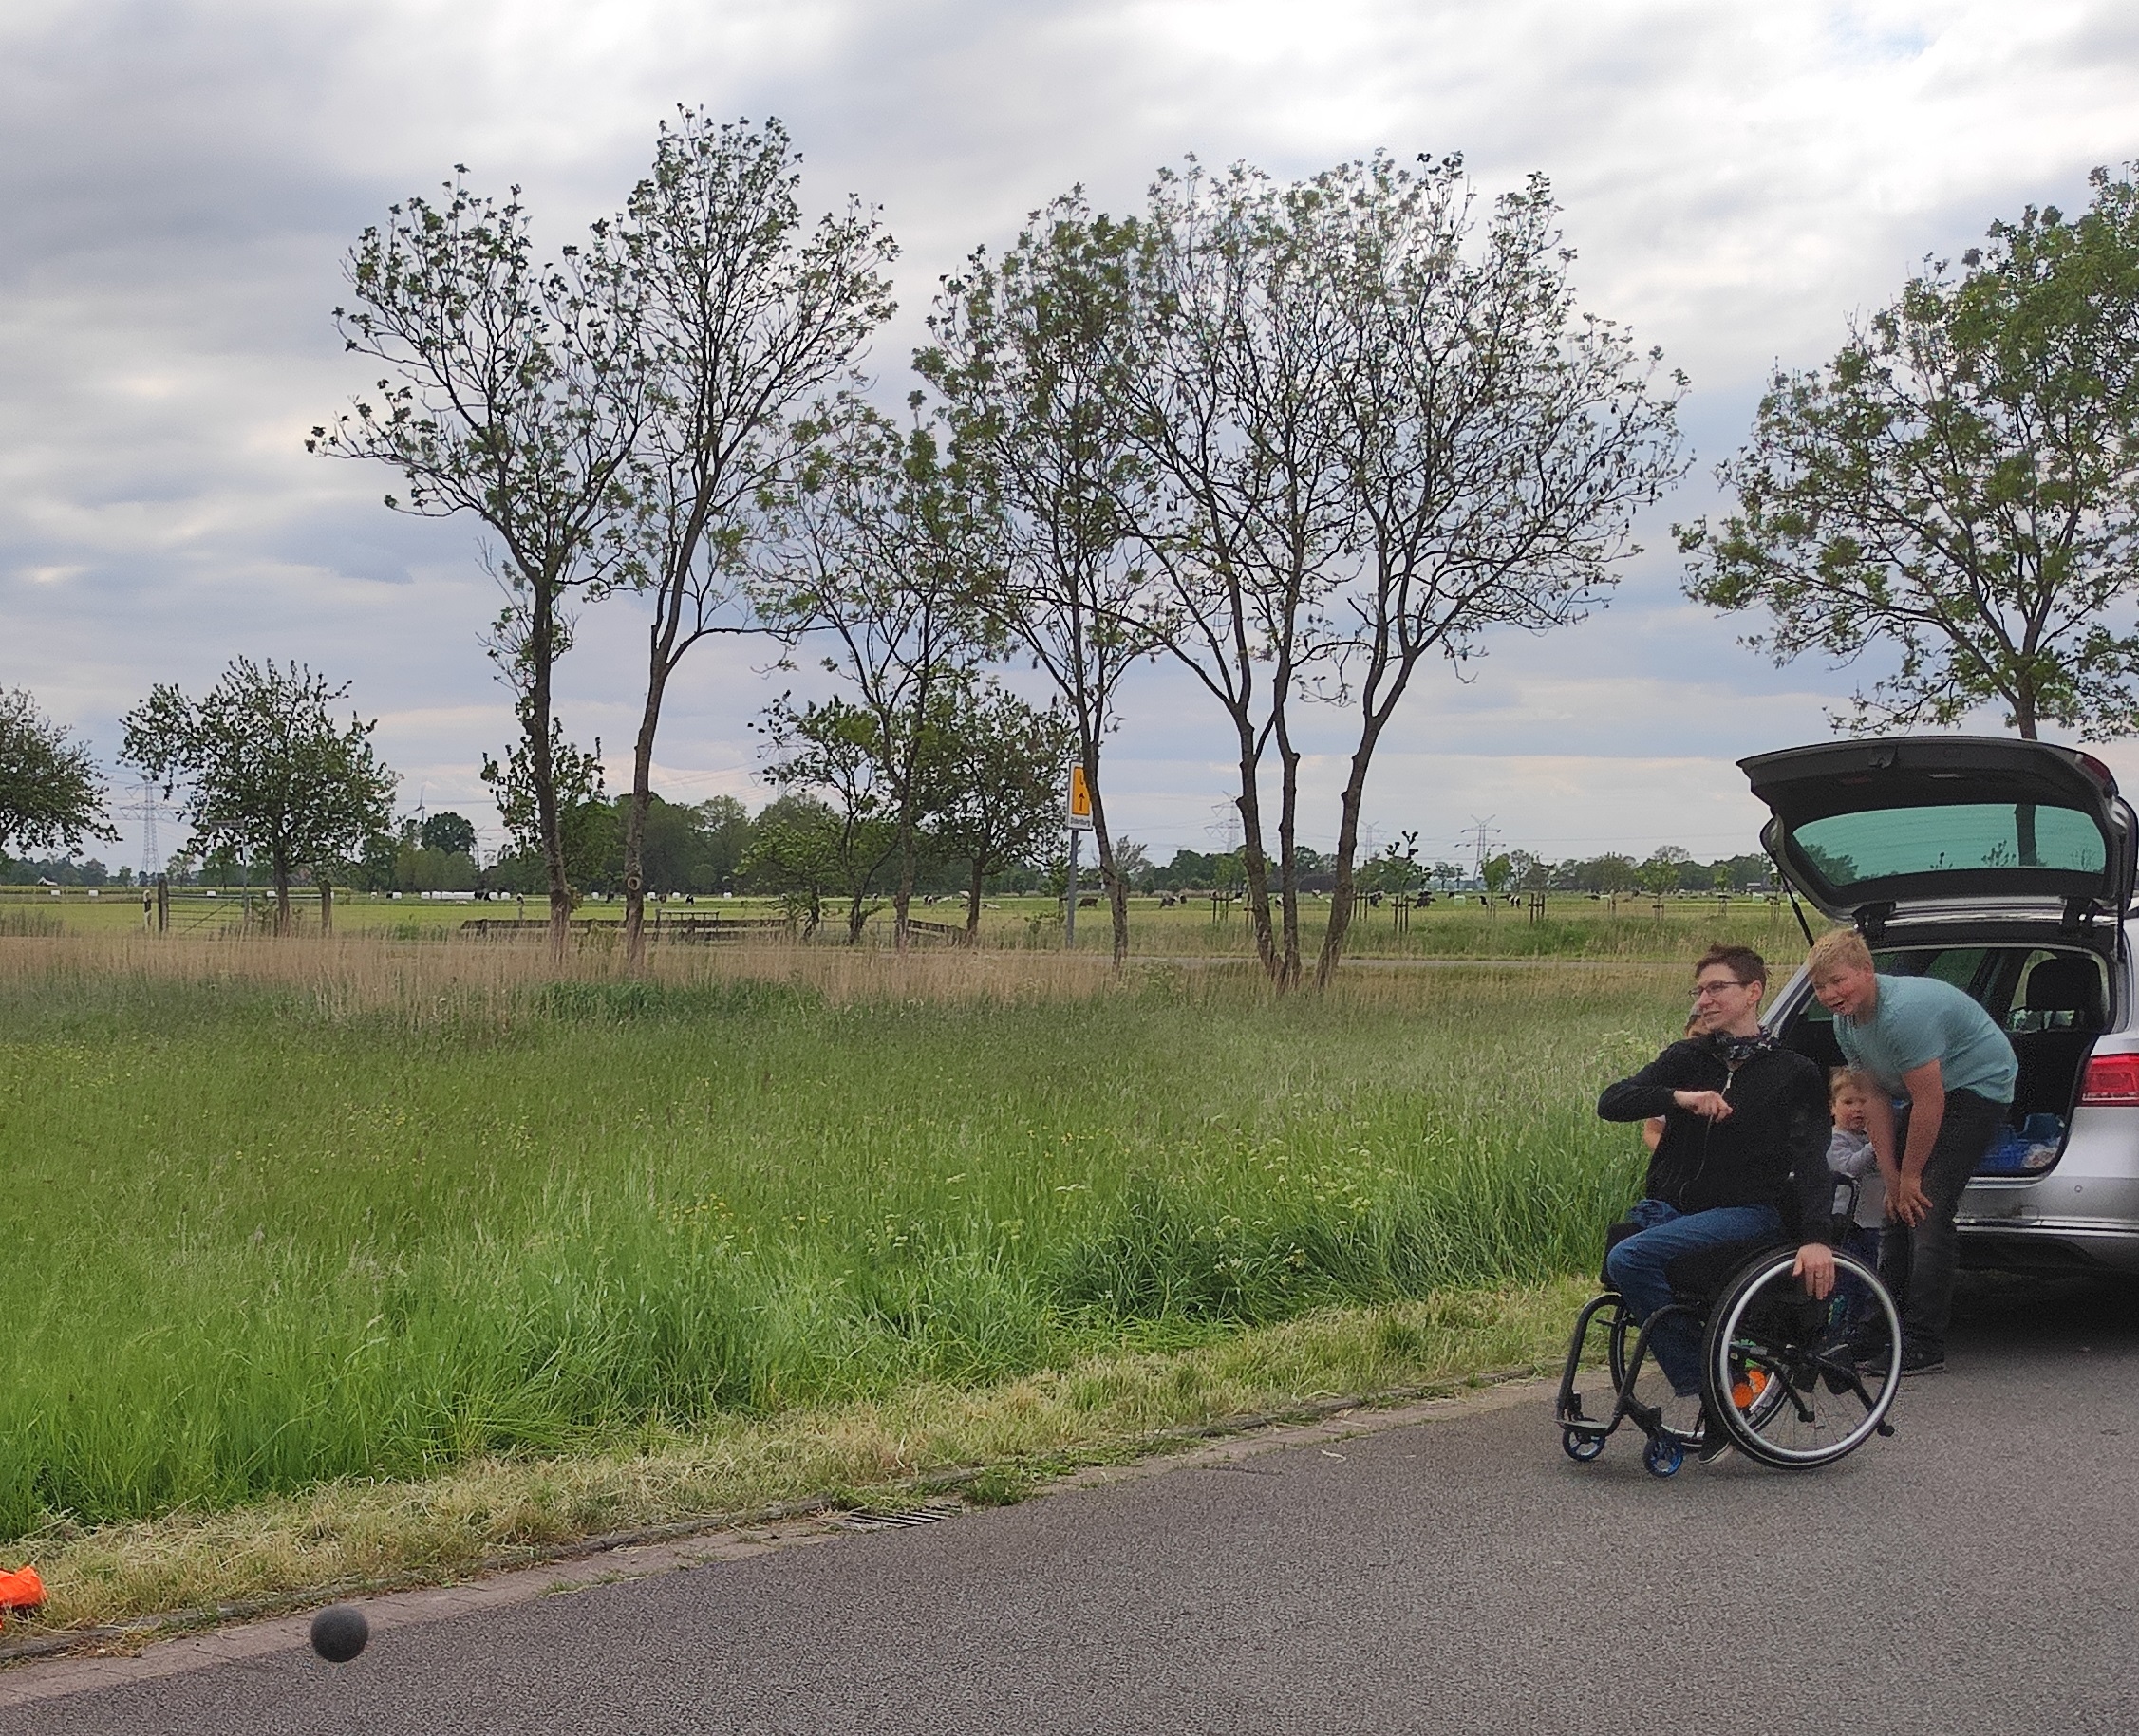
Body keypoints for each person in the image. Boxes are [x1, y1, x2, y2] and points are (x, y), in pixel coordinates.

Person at [1598, 945, 1836, 1455]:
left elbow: (1814, 1161)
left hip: (1750, 1213)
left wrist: (1817, 1238)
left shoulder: (1793, 1071)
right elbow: (1611, 1102)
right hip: (1681, 1211)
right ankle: (1717, 1373)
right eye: (1699, 990)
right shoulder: (1686, 1059)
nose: (1703, 1000)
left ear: (1753, 992)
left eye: (1716, 989)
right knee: (1624, 1252)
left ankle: (1707, 1381)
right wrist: (1678, 1098)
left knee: (1629, 1257)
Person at [1806, 929, 2016, 1376]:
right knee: (1894, 1211)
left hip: (1978, 1087)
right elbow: (1875, 1098)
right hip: (1923, 1096)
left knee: (1926, 1209)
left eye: (1838, 981)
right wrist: (1891, 1176)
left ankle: (1924, 1343)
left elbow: (1930, 1100)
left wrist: (1911, 1176)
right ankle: (1877, 1330)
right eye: (1820, 987)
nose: (1830, 994)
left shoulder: (1902, 1014)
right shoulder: (1846, 1023)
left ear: (1867, 971)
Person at [1825, 1067, 1884, 1332]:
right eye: (1848, 1102)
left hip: (1871, 1222)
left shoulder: (1869, 1139)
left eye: (1864, 1102)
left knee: (1868, 1280)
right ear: (1833, 1107)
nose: (1857, 1109)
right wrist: (1875, 1145)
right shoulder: (1834, 1140)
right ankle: (1837, 1330)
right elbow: (1848, 1168)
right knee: (1845, 1281)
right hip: (1844, 1225)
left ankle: (1860, 1330)